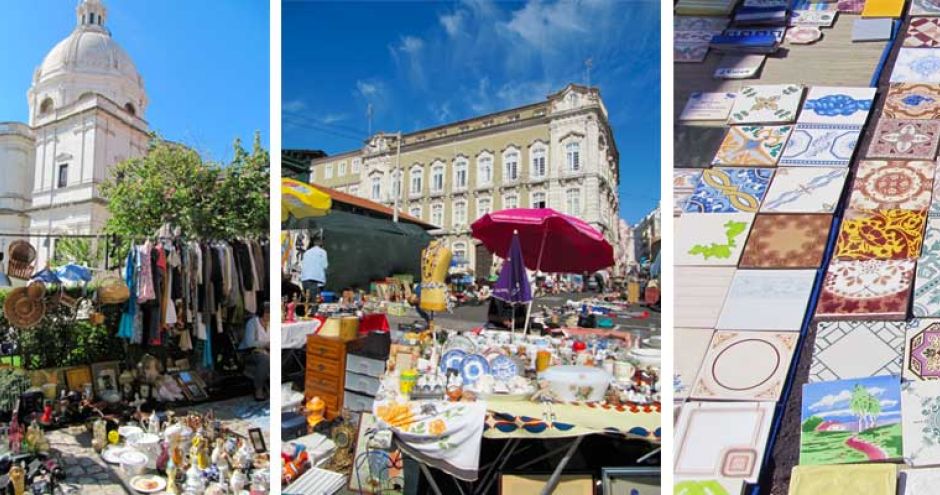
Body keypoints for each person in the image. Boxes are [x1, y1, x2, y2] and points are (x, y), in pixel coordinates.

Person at [241, 303, 270, 401]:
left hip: (268, 349)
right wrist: (266, 344)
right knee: (265, 359)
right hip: (251, 352)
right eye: (267, 312)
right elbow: (250, 343)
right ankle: (259, 389)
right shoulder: (252, 323)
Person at [300, 238, 328, 304]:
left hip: (304, 280)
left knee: (307, 302)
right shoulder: (323, 252)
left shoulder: (306, 252)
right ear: (321, 245)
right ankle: (313, 313)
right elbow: (325, 266)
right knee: (315, 303)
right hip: (315, 280)